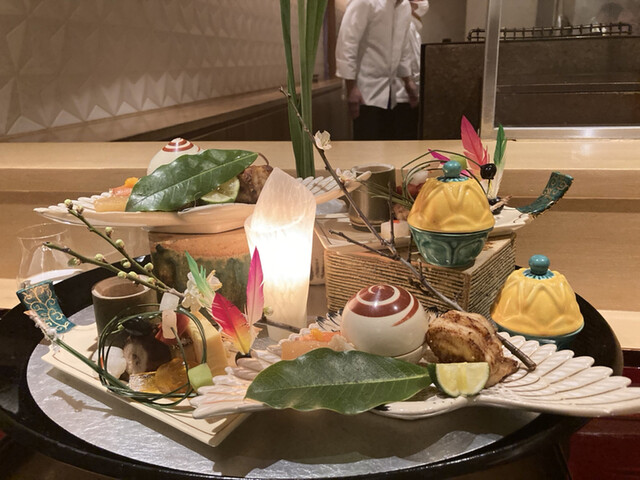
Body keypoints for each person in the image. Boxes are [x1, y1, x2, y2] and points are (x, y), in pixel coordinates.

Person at [335, 0, 419, 141]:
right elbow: (347, 42)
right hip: (365, 92)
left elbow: (403, 47)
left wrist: (408, 82)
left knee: (389, 144)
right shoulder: (365, 2)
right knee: (367, 145)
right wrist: (351, 88)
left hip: (391, 93)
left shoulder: (404, 7)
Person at [393, 0, 429, 140]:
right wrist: (411, 85)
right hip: (403, 94)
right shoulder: (405, 23)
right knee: (404, 139)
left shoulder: (410, 24)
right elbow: (410, 60)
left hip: (405, 92)